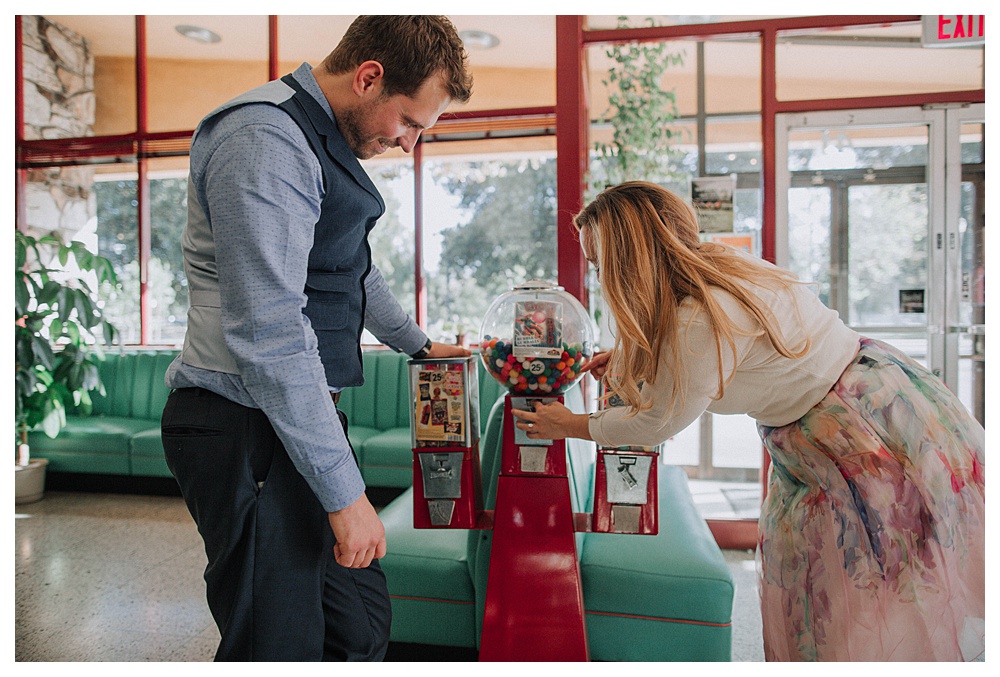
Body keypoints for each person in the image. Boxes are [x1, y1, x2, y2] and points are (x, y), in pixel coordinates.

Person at [512, 181, 985, 662]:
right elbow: (697, 357)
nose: (597, 276)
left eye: (599, 264)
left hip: (858, 436)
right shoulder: (716, 270)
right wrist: (632, 359)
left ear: (629, 259)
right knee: (839, 582)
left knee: (872, 590)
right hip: (857, 408)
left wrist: (568, 424)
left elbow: (657, 422)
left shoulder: (697, 317)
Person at [160, 16, 473, 662]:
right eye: (410, 123)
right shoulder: (263, 139)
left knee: (357, 625)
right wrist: (346, 494)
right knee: (276, 645)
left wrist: (420, 346)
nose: (410, 143)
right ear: (369, 78)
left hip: (298, 422)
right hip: (242, 426)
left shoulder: (321, 144)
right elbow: (269, 331)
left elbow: (353, 271)